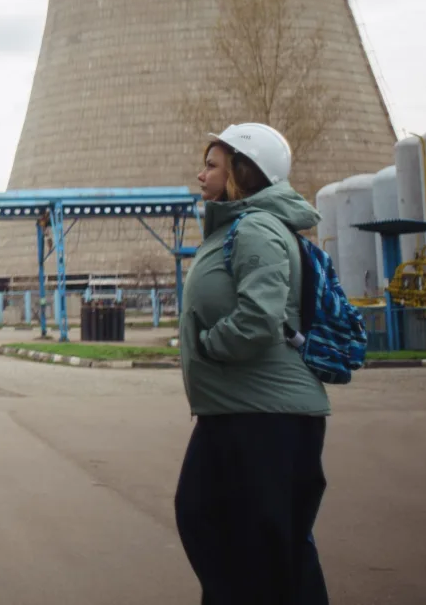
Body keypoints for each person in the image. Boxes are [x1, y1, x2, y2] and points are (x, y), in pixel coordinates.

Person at [176, 123, 330, 605]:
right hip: (242, 410)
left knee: (247, 541)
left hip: (263, 418)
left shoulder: (257, 229)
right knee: (253, 542)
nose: (201, 175)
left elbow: (258, 320)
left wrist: (207, 346)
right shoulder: (240, 227)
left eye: (212, 166)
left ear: (242, 173)